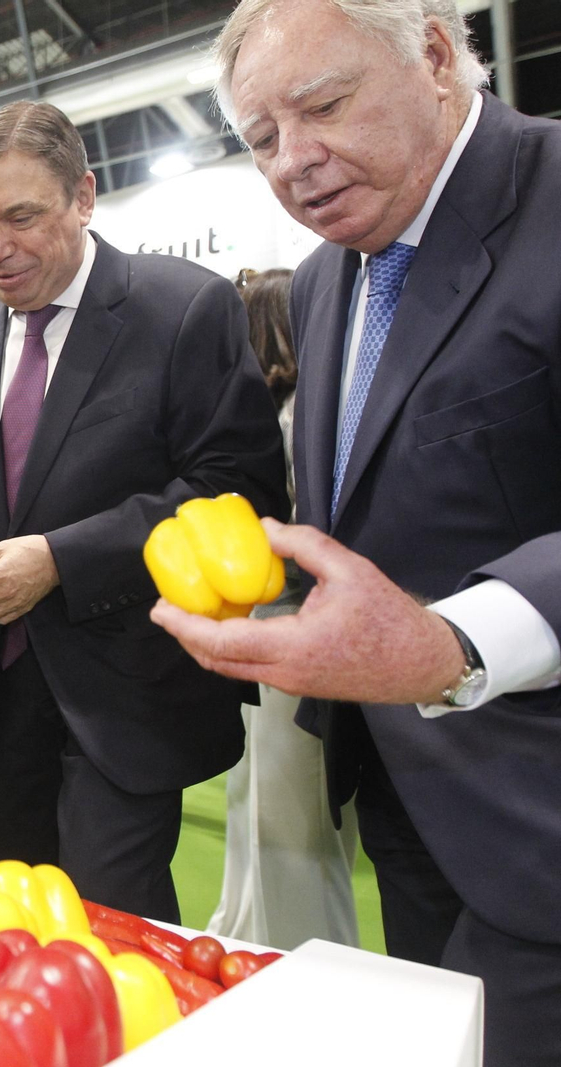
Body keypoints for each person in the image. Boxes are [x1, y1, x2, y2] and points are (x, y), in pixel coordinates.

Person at [154, 1, 561, 1059]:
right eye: (260, 139)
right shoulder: (331, 275)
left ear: (434, 53)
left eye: (324, 106)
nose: (293, 161)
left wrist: (451, 641)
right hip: (403, 790)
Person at [0, 100, 287, 921]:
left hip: (127, 688)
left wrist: (60, 559)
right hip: (2, 689)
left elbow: (238, 489)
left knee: (113, 925)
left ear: (83, 196)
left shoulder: (181, 308)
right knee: (23, 918)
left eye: (20, 217)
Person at [207, 268, 359, 950]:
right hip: (277, 631)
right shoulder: (289, 414)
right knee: (264, 808)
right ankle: (248, 935)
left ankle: (302, 957)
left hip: (295, 629)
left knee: (291, 820)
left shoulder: (295, 419)